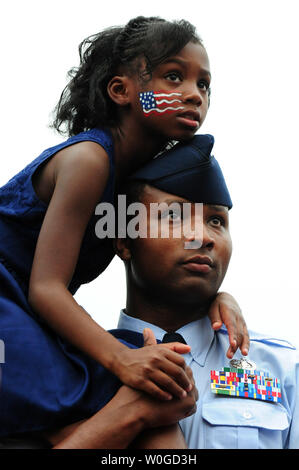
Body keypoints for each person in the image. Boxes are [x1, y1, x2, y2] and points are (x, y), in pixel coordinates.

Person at [0, 16, 248, 439]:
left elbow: (159, 267)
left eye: (203, 85)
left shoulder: (128, 183)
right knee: (145, 386)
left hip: (28, 312)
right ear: (121, 91)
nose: (194, 96)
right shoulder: (89, 160)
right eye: (174, 77)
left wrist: (217, 298)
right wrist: (121, 360)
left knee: (163, 389)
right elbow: (46, 288)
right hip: (13, 304)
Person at [110, 134, 299, 449]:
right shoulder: (76, 367)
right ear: (124, 240)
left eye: (216, 220)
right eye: (174, 216)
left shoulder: (280, 370)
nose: (203, 237)